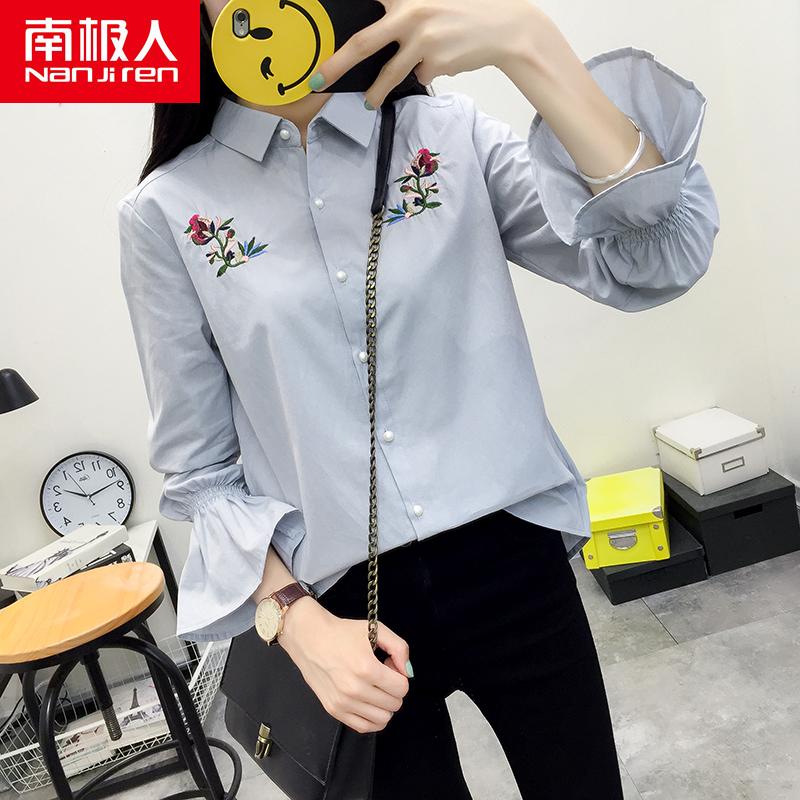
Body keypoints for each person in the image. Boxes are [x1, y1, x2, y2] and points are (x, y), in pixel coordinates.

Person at [117, 0, 720, 797]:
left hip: (514, 566)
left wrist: (529, 43)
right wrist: (292, 620)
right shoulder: (167, 212)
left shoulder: (449, 138)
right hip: (344, 616)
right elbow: (202, 473)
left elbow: (656, 253)